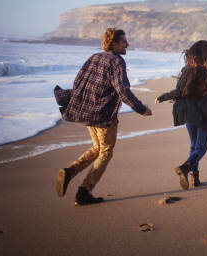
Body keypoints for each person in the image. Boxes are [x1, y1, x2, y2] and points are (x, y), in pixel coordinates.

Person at [53, 28, 152, 206]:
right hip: (104, 115)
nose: (127, 44)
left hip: (88, 112)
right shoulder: (117, 61)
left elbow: (79, 82)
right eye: (123, 42)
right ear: (113, 43)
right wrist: (141, 108)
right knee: (106, 152)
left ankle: (69, 172)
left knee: (98, 148)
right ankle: (84, 191)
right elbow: (122, 90)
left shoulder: (95, 57)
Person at [155, 40, 207, 190]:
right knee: (200, 149)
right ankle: (185, 167)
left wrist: (162, 97)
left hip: (189, 111)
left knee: (194, 145)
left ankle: (196, 178)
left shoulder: (188, 70)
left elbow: (179, 91)